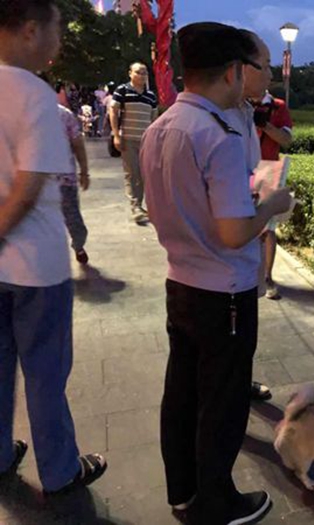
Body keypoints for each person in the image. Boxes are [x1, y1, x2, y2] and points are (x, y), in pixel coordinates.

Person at [141, 22, 292, 525]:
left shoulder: (162, 126)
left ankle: (183, 493)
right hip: (224, 290)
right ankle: (217, 503)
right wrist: (271, 206)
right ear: (232, 71)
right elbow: (234, 233)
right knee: (222, 402)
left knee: (182, 394)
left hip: (180, 281)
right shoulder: (218, 135)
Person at [0, 0, 107, 494]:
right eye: (56, 29)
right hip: (36, 267)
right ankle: (60, 470)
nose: (59, 40)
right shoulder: (34, 94)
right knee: (45, 372)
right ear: (29, 30)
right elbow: (28, 188)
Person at [224, 30, 275, 402]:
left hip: (246, 243)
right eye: (266, 65)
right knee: (228, 334)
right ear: (241, 69)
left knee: (244, 333)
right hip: (225, 255)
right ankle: (228, 396)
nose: (271, 74)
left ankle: (239, 382)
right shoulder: (218, 120)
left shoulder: (245, 113)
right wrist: (270, 206)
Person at [251, 90, 293, 300]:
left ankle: (267, 277)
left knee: (268, 226)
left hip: (269, 169)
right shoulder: (238, 101)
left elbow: (286, 140)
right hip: (242, 167)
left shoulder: (277, 106)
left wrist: (265, 125)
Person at [110, 62, 158, 223]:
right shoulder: (123, 90)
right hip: (128, 139)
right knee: (132, 173)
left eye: (145, 73)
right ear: (130, 73)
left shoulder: (150, 96)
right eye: (138, 72)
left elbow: (154, 118)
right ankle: (135, 206)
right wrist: (116, 135)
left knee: (144, 174)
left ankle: (141, 205)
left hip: (145, 141)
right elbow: (113, 111)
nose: (142, 75)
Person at [57, 103, 90, 264]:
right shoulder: (20, 115)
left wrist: (84, 172)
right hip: (34, 181)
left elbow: (78, 145)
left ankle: (78, 246)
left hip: (63, 180)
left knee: (73, 218)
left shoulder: (64, 115)